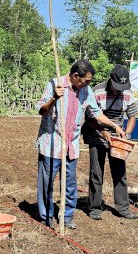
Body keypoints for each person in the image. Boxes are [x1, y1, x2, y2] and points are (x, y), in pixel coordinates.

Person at [36, 60, 126, 229]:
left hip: (71, 145)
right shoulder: (55, 84)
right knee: (46, 184)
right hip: (52, 143)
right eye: (87, 80)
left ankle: (67, 215)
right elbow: (42, 111)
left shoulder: (86, 90)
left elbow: (96, 113)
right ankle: (46, 216)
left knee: (70, 184)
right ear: (76, 76)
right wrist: (55, 97)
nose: (88, 83)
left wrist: (115, 126)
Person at [82, 64, 138, 221]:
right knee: (96, 172)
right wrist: (103, 131)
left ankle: (123, 207)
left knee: (120, 172)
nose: (119, 90)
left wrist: (126, 134)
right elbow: (90, 117)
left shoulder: (127, 93)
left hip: (118, 138)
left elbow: (132, 115)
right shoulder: (97, 91)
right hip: (97, 134)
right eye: (116, 87)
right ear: (110, 80)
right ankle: (94, 207)